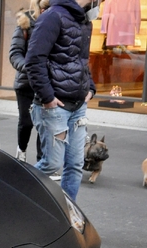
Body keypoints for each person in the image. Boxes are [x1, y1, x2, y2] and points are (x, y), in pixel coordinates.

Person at [24, 0, 99, 201]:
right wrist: (48, 98)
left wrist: (90, 87)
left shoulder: (85, 22)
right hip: (55, 106)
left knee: (75, 165)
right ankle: (16, 195)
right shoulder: (53, 16)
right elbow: (33, 60)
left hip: (77, 107)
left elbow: (81, 61)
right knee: (51, 164)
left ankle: (68, 214)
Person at [8, 0, 49, 163]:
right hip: (26, 83)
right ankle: (21, 151)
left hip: (46, 83)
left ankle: (42, 163)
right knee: (26, 122)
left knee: (44, 125)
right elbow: (15, 53)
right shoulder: (25, 22)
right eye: (44, 6)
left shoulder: (55, 23)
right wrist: (30, 67)